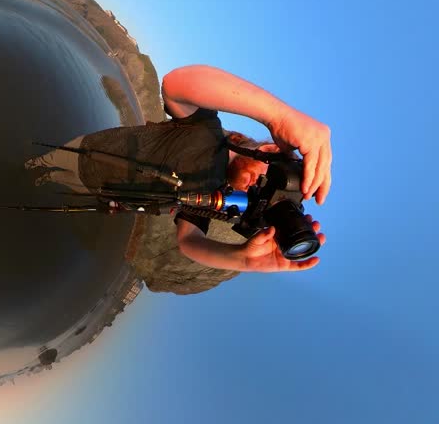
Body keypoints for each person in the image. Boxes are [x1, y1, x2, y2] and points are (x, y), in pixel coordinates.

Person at [25, 65, 331, 273]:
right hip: (84, 153)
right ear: (267, 151)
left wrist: (242, 260)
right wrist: (278, 116)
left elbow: (189, 242)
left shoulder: (216, 199)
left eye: (264, 191)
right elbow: (176, 84)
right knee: (44, 163)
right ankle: (35, 164)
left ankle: (39, 177)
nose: (257, 186)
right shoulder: (205, 128)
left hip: (98, 191)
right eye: (267, 178)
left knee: (50, 183)